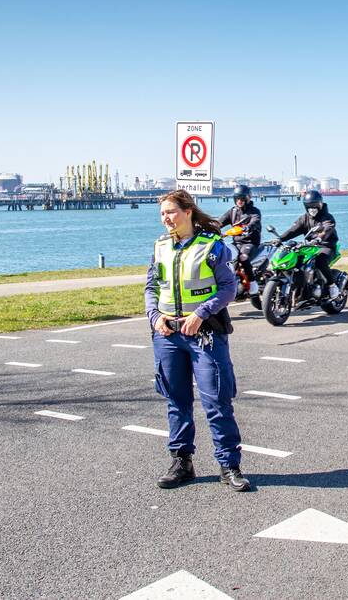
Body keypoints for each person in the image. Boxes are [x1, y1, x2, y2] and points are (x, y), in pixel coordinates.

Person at [144, 190, 250, 491]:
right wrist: (154, 317)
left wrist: (200, 314)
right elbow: (151, 287)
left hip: (204, 334)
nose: (166, 218)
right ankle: (181, 463)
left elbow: (228, 288)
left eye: (171, 212)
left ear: (188, 211)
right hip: (167, 335)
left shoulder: (212, 246)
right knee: (176, 400)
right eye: (162, 213)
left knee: (217, 401)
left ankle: (229, 466)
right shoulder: (160, 246)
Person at [278, 190, 341, 298]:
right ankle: (300, 287)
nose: (312, 208)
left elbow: (327, 229)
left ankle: (332, 285)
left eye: (314, 205)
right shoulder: (304, 218)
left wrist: (319, 238)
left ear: (320, 204)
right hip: (309, 247)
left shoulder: (327, 217)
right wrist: (280, 239)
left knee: (320, 260)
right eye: (309, 206)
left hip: (326, 246)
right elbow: (293, 230)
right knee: (295, 260)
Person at [218, 184, 263, 296]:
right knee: (222, 254)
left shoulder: (254, 211)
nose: (239, 201)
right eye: (237, 198)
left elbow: (255, 221)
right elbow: (220, 222)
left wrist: (248, 227)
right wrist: (210, 227)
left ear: (247, 199)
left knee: (243, 257)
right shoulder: (233, 211)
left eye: (242, 198)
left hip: (250, 242)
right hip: (236, 243)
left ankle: (252, 282)